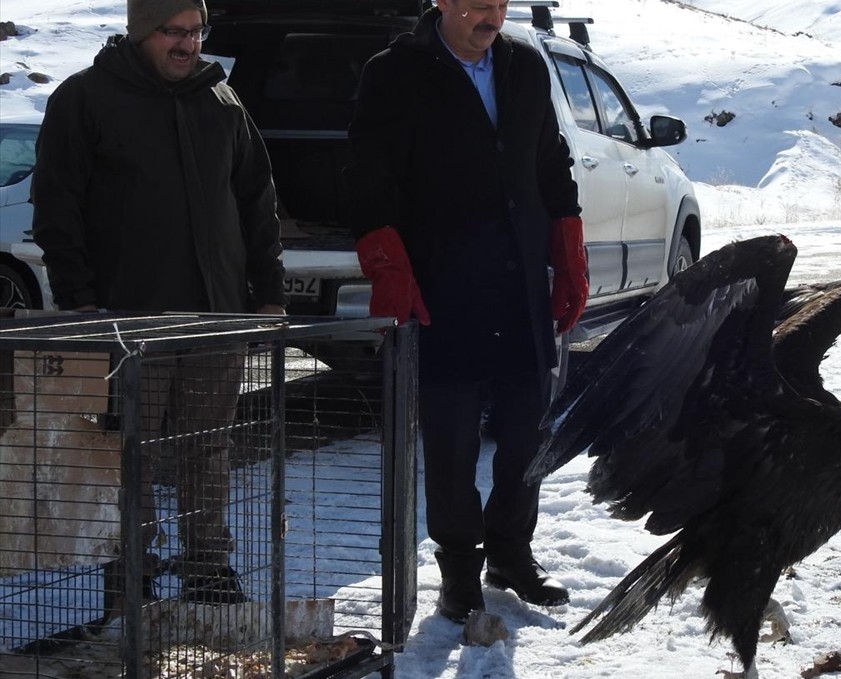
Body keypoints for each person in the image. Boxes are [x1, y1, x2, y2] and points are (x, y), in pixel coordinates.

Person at [31, 0, 287, 604]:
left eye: (197, 32)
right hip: (127, 316)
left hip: (215, 314)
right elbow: (56, 205)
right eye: (174, 32)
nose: (188, 45)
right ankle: (130, 567)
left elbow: (257, 200)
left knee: (208, 444)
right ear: (141, 31)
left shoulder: (221, 100)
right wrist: (80, 301)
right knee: (130, 446)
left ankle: (207, 565)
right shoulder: (86, 98)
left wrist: (268, 295)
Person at [346, 0, 587, 623]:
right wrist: (388, 264)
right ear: (443, 3)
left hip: (519, 286)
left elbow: (549, 159)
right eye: (479, 3)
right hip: (443, 290)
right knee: (451, 444)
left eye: (501, 3)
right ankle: (460, 570)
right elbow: (368, 179)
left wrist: (569, 246)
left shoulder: (525, 66)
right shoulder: (395, 72)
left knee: (527, 430)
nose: (493, 16)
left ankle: (512, 550)